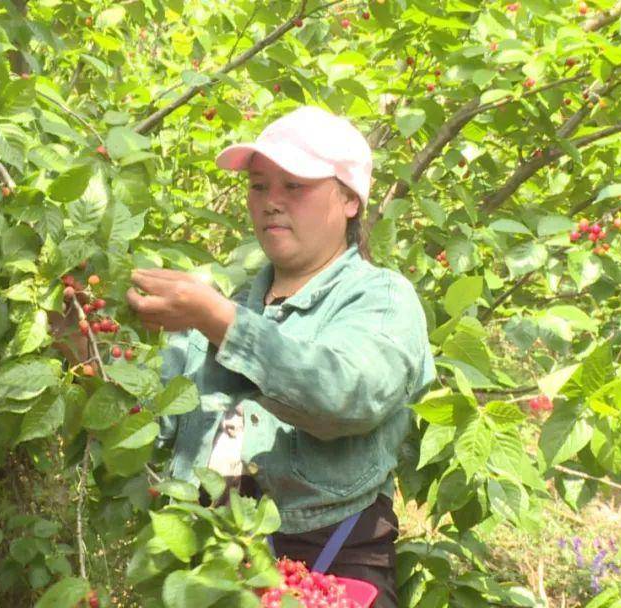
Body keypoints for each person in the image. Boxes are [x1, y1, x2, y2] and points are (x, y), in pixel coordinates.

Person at [125, 105, 436, 607]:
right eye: (258, 186)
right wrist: (85, 353)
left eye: (295, 186)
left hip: (329, 566)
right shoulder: (228, 306)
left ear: (350, 199)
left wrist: (219, 321)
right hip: (211, 570)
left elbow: (344, 396)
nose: (271, 202)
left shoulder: (381, 299)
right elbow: (147, 424)